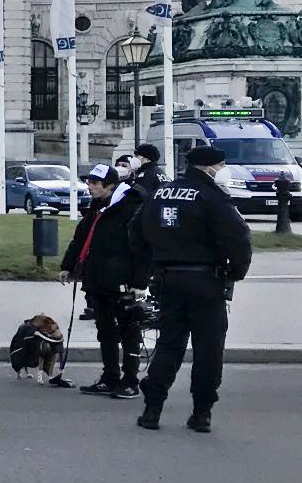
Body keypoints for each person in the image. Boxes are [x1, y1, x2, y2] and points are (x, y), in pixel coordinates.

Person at [131, 144, 252, 432]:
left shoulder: (161, 193)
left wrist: (150, 265)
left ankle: (152, 410)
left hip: (167, 280)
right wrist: (235, 272)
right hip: (205, 282)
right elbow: (238, 238)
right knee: (208, 348)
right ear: (209, 167)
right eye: (220, 166)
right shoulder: (211, 196)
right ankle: (202, 413)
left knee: (169, 345)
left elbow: (135, 231)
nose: (221, 171)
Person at [59, 165, 148, 398]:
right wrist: (68, 266)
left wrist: (140, 282)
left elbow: (142, 248)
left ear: (109, 185)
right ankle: (110, 376)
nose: (89, 186)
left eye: (95, 183)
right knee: (105, 331)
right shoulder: (98, 206)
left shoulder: (131, 207)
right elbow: (82, 236)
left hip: (123, 280)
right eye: (89, 182)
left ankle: (130, 380)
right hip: (99, 278)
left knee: (129, 331)